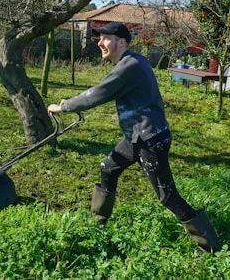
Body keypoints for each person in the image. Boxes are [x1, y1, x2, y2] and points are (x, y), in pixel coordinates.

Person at [47, 22, 220, 253]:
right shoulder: (133, 61)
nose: (99, 42)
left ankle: (209, 246)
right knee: (108, 168)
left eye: (105, 38)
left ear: (121, 42)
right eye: (98, 38)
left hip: (150, 139)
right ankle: (97, 223)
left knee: (167, 196)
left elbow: (100, 93)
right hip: (136, 137)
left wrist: (65, 107)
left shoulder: (129, 66)